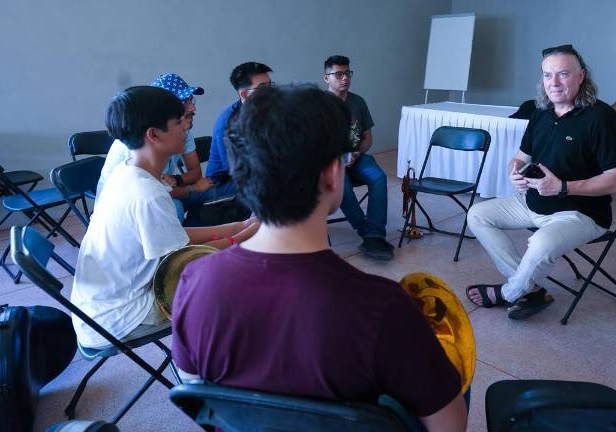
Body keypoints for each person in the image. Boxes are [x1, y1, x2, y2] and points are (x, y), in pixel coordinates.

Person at [171, 85, 467, 432]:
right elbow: (450, 426)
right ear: (331, 173)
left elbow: (196, 393)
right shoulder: (382, 306)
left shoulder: (194, 280)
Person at [71, 86, 259, 349]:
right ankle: (216, 374)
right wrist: (244, 238)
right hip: (121, 315)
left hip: (100, 310)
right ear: (154, 134)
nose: (186, 127)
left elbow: (175, 239)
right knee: (246, 282)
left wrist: (240, 226)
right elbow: (182, 261)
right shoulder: (146, 193)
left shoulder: (128, 173)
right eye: (178, 121)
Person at [466, 45, 616, 320]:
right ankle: (530, 289)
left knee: (540, 244)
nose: (553, 83)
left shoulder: (601, 118)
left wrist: (563, 187)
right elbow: (519, 157)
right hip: (533, 201)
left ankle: (509, 293)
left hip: (580, 212)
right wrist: (514, 173)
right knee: (477, 215)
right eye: (547, 75)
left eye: (563, 74)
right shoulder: (541, 112)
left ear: (581, 76)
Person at [96, 73, 212, 222]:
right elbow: (157, 195)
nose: (192, 106)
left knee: (210, 194)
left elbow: (195, 173)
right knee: (175, 207)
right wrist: (192, 188)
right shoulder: (140, 148)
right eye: (185, 101)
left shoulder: (179, 130)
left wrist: (176, 179)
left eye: (191, 100)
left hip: (163, 194)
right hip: (130, 213)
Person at [324, 55, 392, 260]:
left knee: (379, 177)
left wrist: (357, 152)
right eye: (339, 74)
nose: (345, 78)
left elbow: (367, 137)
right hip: (330, 162)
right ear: (327, 78)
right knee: (341, 184)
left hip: (357, 156)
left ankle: (375, 232)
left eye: (348, 73)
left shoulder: (358, 102)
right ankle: (367, 232)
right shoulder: (318, 105)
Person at [204, 62, 274, 199]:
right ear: (244, 94)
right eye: (262, 88)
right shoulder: (227, 122)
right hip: (226, 182)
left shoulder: (270, 111)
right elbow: (237, 169)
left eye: (270, 85)